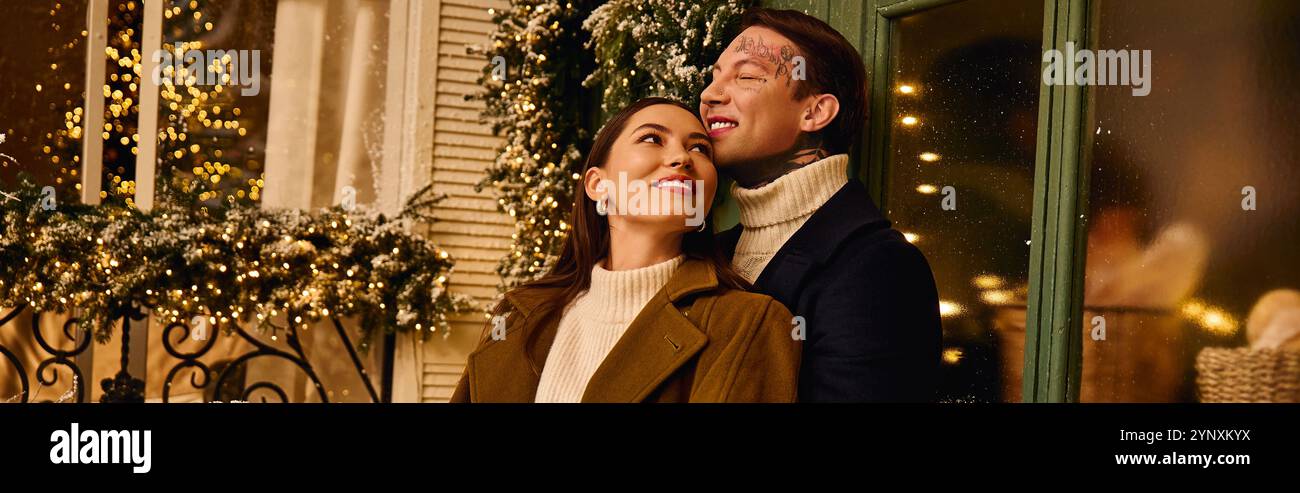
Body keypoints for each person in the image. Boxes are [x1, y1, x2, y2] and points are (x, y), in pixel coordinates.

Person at [450, 97, 800, 403]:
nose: (681, 157)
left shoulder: (747, 323)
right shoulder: (519, 316)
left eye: (700, 149)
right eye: (652, 138)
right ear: (598, 185)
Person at [700, 8, 941, 401]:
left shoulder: (879, 268)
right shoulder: (712, 253)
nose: (710, 94)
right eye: (714, 76)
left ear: (815, 112)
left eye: (745, 76)